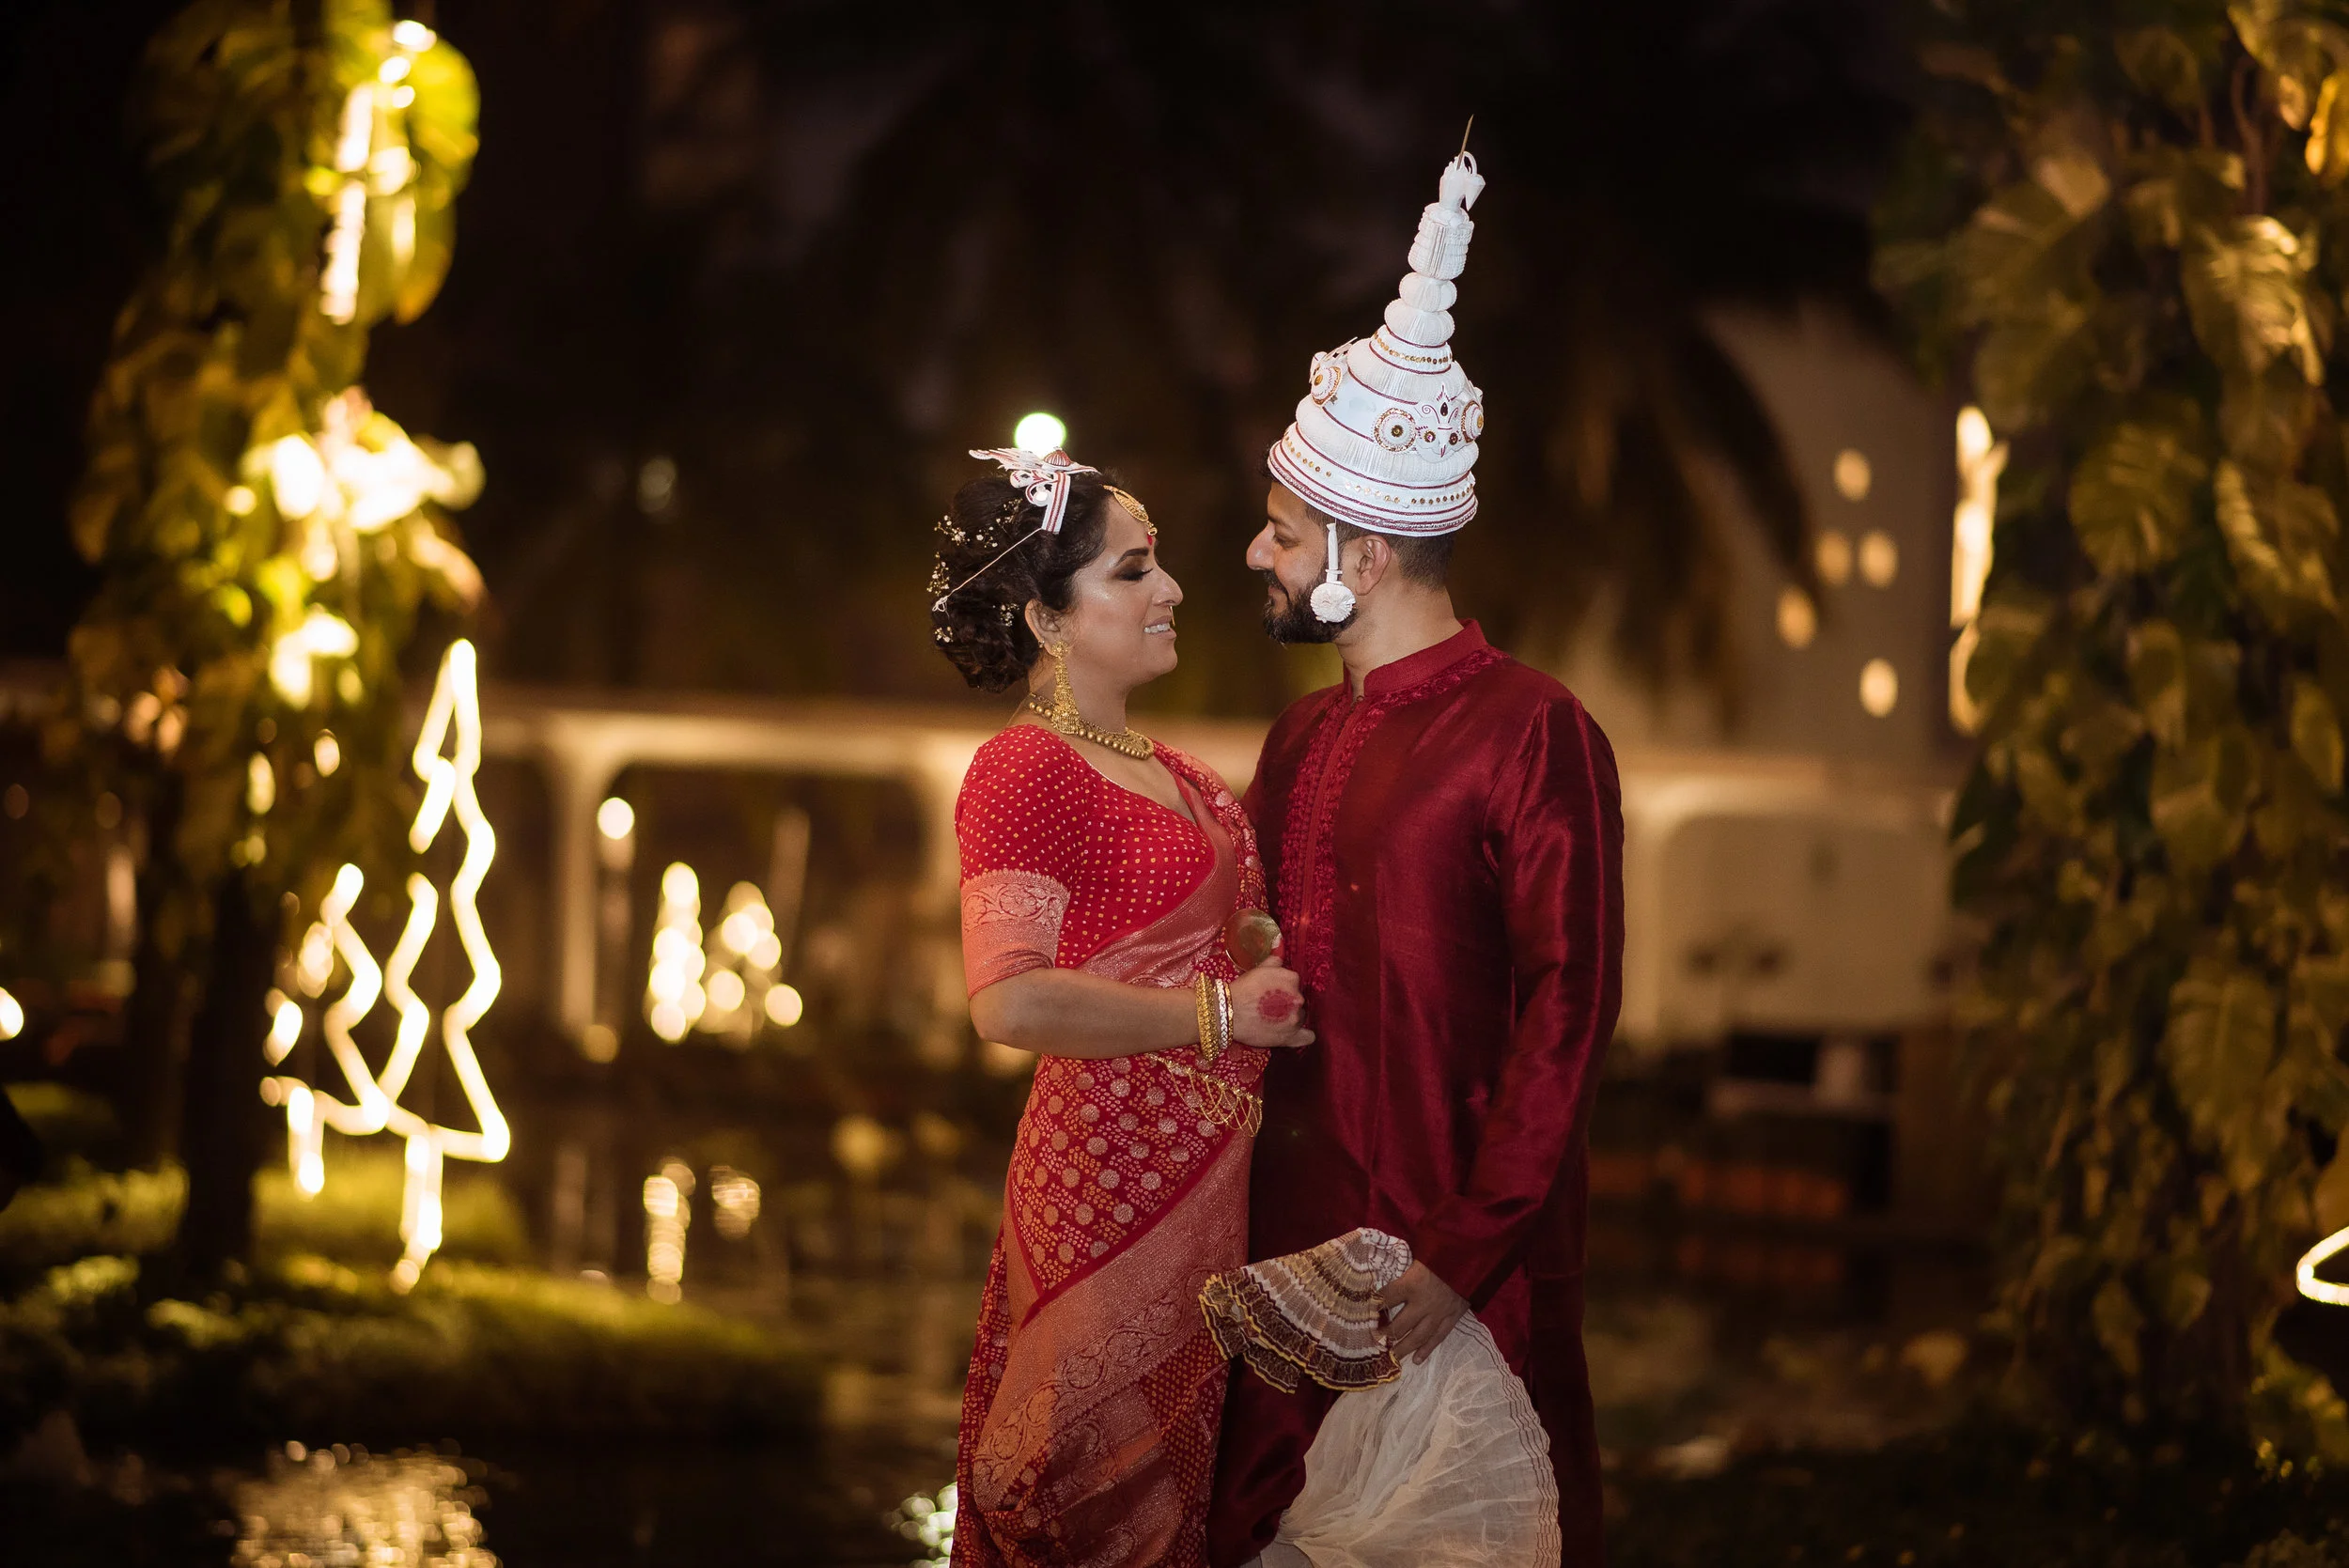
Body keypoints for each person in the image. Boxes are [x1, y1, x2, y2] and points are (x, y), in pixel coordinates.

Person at [1206, 151, 1625, 1567]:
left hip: (1462, 1287)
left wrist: (1460, 1258)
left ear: (1361, 557)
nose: (1258, 553)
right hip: (1283, 1283)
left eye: (1280, 530)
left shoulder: (1532, 730)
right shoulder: (1294, 740)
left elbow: (1570, 1014)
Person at [932, 447, 1315, 1568]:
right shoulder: (1023, 771)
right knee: (1088, 1497)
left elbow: (1229, 936)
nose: (1174, 590)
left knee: (1181, 1496)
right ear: (1049, 620)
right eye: (1134, 571)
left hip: (1216, 1182)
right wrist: (1220, 1016)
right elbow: (1007, 999)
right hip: (1104, 1181)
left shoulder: (1185, 776)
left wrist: (1264, 961)